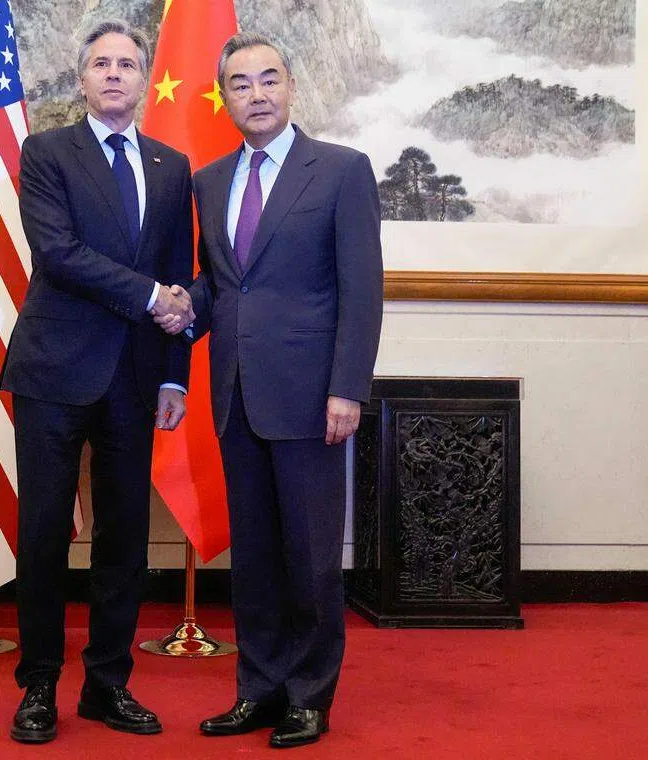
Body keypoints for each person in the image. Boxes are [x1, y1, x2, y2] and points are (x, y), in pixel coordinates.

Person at [156, 32, 383, 749]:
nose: (256, 94)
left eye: (268, 80)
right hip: (235, 395)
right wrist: (174, 308)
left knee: (311, 557)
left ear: (291, 88)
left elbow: (363, 291)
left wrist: (347, 387)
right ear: (224, 98)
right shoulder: (212, 180)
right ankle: (257, 691)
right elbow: (222, 288)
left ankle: (310, 697)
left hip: (314, 398)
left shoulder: (343, 171)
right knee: (252, 556)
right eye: (241, 84)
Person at [0, 19, 195, 744]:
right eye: (101, 64)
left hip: (138, 377)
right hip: (54, 370)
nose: (115, 74)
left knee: (126, 542)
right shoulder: (46, 153)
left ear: (145, 81)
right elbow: (58, 253)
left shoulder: (172, 167)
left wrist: (175, 375)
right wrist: (151, 299)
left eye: (128, 64)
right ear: (81, 80)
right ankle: (39, 685)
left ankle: (108, 684)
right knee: (45, 534)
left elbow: (182, 273)